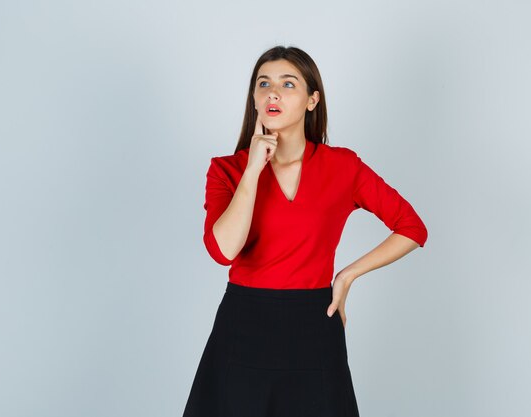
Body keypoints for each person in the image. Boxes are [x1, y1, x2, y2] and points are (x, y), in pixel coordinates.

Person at [182, 45, 428, 417]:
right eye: (263, 84)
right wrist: (252, 171)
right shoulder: (227, 170)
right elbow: (223, 252)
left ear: (313, 100)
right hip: (243, 326)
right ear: (254, 99)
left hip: (314, 326)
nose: (273, 93)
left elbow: (411, 227)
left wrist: (346, 276)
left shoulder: (342, 166)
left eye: (288, 83)